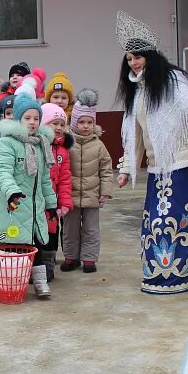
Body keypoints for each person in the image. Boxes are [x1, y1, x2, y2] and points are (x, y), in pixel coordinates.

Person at [114, 11, 188, 294]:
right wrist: (127, 167)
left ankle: (178, 274)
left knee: (176, 220)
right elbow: (136, 134)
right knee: (158, 221)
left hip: (185, 165)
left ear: (151, 56)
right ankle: (165, 271)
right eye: (130, 59)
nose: (134, 63)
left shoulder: (176, 82)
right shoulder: (136, 91)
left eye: (138, 57)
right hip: (158, 170)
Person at [0, 94, 59, 299]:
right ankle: (11, 284)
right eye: (27, 118)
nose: (32, 122)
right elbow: (2, 171)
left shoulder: (41, 145)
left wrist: (51, 204)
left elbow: (45, 179)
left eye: (36, 118)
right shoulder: (7, 143)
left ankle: (39, 283)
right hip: (14, 205)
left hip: (34, 206)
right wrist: (12, 191)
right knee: (13, 247)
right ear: (18, 119)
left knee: (35, 245)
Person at [61, 90, 114, 274]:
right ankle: (71, 256)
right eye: (81, 122)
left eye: (89, 122)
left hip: (92, 195)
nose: (85, 126)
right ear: (74, 122)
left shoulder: (99, 145)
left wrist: (105, 191)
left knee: (91, 229)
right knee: (70, 229)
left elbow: (106, 169)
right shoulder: (66, 143)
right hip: (70, 195)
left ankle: (89, 259)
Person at [40, 102, 73, 280]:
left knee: (52, 232)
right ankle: (34, 265)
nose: (59, 128)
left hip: (54, 204)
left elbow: (65, 179)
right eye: (55, 123)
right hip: (38, 202)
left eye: (62, 124)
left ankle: (48, 266)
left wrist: (65, 202)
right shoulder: (37, 145)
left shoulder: (63, 150)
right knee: (37, 234)